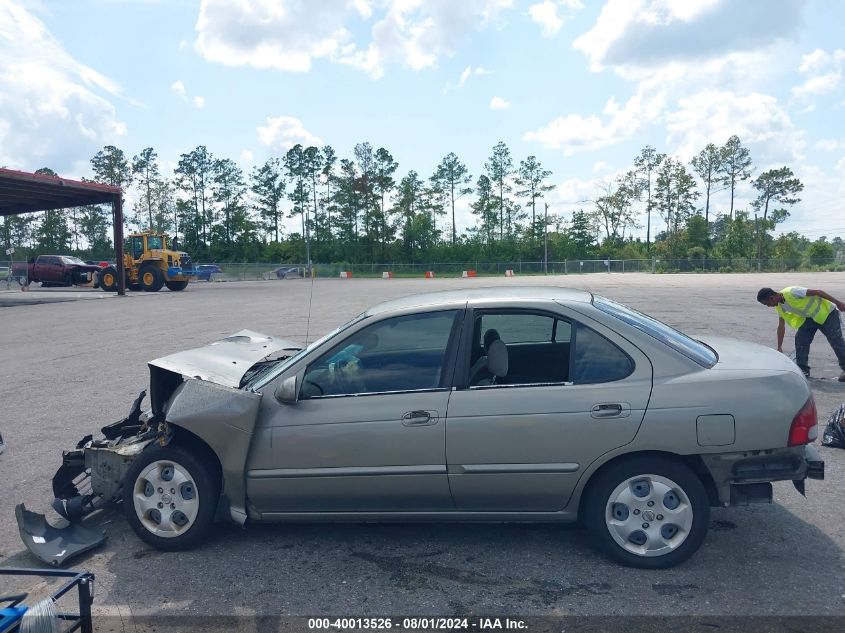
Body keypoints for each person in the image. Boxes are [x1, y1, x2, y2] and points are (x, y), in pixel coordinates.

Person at [757, 286, 845, 382]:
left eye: (767, 304)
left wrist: (838, 303)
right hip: (809, 318)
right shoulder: (779, 307)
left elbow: (818, 292)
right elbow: (781, 326)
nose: (768, 306)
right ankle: (803, 371)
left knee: (836, 341)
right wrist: (779, 346)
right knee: (801, 341)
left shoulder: (792, 292)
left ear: (771, 298)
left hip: (827, 314)